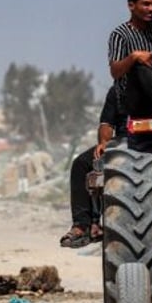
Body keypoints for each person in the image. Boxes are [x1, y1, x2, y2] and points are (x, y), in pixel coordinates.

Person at [59, 86, 126, 248]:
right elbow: (106, 123)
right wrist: (104, 143)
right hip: (123, 142)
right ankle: (84, 225)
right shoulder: (118, 90)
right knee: (82, 163)